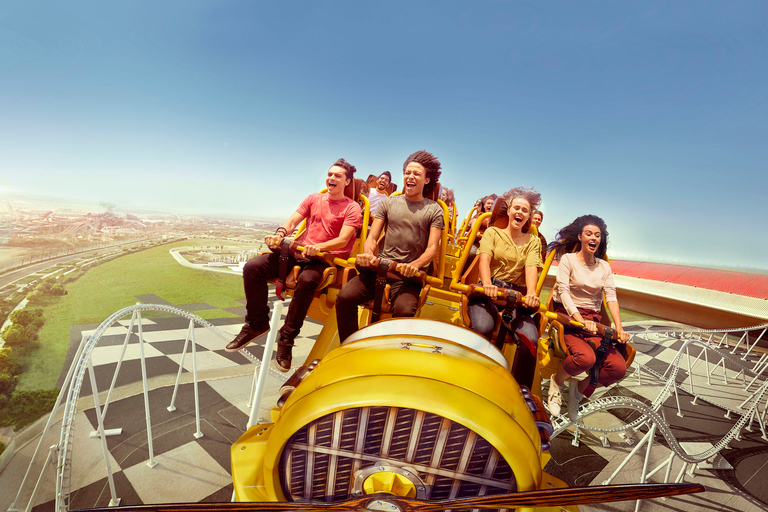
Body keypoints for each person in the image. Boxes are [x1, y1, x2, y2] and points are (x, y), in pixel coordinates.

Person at [226, 159, 363, 373]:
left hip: (324, 259)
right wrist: (280, 234)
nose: (332, 178)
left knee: (307, 281)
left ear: (347, 181)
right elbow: (292, 221)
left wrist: (317, 247)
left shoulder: (352, 207)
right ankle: (256, 323)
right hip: (300, 251)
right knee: (253, 267)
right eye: (330, 174)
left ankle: (287, 339)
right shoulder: (313, 198)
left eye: (337, 176)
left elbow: (343, 240)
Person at [336, 150, 444, 343]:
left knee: (404, 312)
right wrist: (368, 254)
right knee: (345, 298)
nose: (410, 177)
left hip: (407, 276)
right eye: (407, 173)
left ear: (426, 180)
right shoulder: (388, 203)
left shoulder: (433, 210)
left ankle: (392, 353)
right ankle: (349, 345)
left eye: (416, 174)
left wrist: (415, 265)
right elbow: (372, 236)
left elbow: (431, 249)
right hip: (381, 268)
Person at [546, 215, 631, 419]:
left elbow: (611, 297)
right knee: (585, 358)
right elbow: (564, 291)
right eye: (589, 234)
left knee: (618, 369)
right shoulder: (568, 260)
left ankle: (578, 390)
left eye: (597, 235)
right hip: (569, 317)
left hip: (592, 319)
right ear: (580, 237)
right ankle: (556, 382)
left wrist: (619, 327)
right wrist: (577, 317)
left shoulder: (603, 266)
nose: (593, 238)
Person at [468, 187, 542, 387]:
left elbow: (531, 269)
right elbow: (484, 261)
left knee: (531, 339)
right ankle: (474, 378)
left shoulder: (533, 242)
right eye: (516, 208)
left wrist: (533, 294)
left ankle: (520, 392)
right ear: (509, 211)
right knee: (483, 327)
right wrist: (488, 285)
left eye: (524, 210)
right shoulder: (493, 233)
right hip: (489, 290)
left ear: (528, 217)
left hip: (514, 296)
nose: (520, 212)